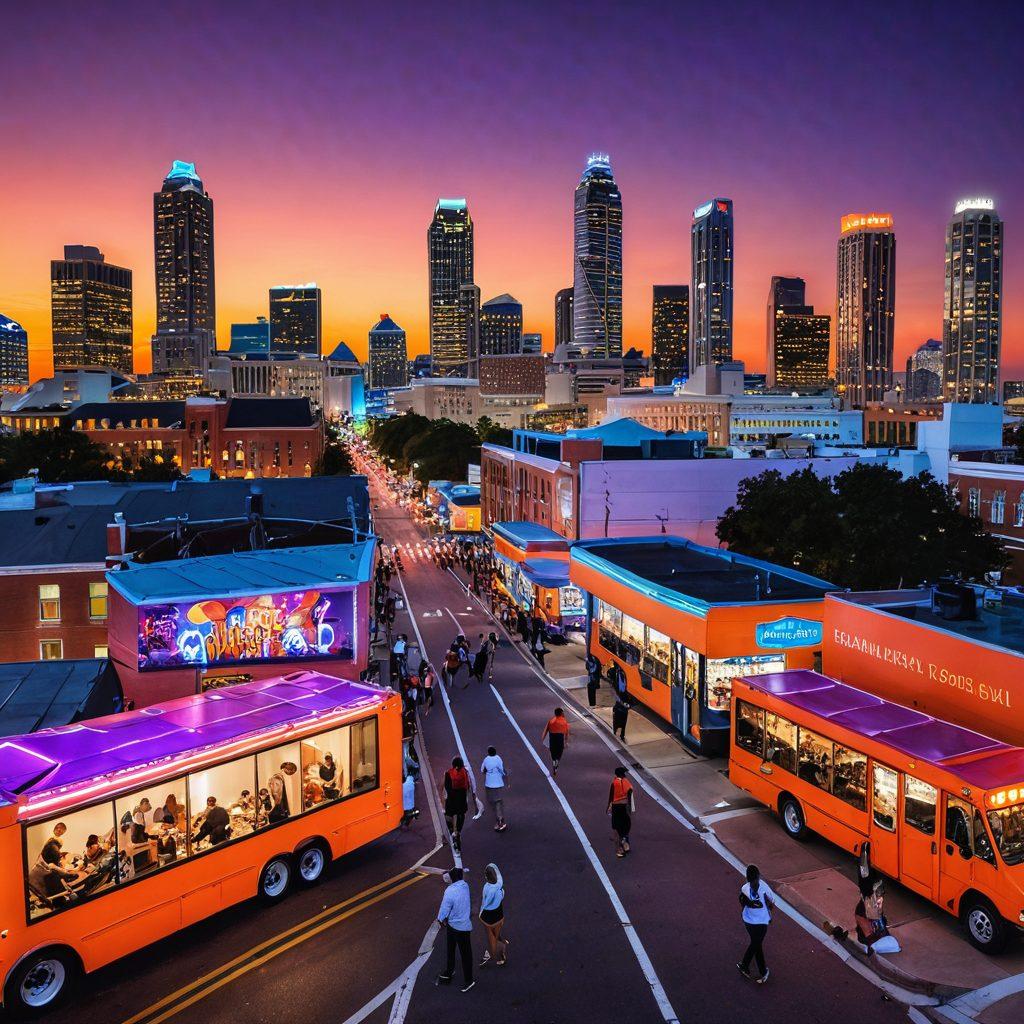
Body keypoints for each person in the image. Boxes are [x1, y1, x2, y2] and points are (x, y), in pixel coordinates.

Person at [436, 867, 475, 992]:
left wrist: (440, 919)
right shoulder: (465, 886)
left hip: (452, 925)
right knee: (466, 954)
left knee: (451, 950)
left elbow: (444, 908)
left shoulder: (449, 891)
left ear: (452, 879)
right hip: (464, 926)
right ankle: (468, 979)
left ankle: (451, 971)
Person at [737, 864, 776, 983]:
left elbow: (742, 901)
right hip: (759, 921)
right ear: (758, 876)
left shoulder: (746, 888)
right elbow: (773, 901)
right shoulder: (762, 888)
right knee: (756, 944)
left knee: (756, 944)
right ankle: (758, 970)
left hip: (751, 921)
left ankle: (749, 967)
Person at [479, 863, 509, 967]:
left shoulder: (487, 888)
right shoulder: (500, 885)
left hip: (489, 916)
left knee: (491, 936)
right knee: (496, 932)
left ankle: (500, 955)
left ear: (486, 877)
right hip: (499, 913)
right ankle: (501, 942)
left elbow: (485, 903)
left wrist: (481, 913)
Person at [441, 756, 473, 851]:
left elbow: (446, 787)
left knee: (448, 816)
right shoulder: (465, 772)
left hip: (451, 798)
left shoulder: (448, 773)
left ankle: (452, 832)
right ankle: (457, 832)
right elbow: (468, 785)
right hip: (461, 798)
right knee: (461, 815)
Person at [607, 766, 635, 857]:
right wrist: (630, 808)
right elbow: (630, 794)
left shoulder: (614, 783)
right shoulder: (627, 782)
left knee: (616, 826)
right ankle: (625, 843)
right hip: (624, 807)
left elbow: (611, 796)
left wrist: (608, 807)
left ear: (616, 774)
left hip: (616, 807)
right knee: (626, 825)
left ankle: (619, 849)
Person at [480, 746, 508, 832]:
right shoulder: (498, 759)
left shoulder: (486, 760)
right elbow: (502, 770)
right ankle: (500, 820)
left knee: (493, 803)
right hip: (498, 784)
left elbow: (482, 770)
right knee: (498, 802)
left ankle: (500, 822)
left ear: (488, 753)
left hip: (489, 785)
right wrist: (507, 781)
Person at [541, 708, 570, 775]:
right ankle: (556, 762)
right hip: (560, 739)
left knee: (553, 752)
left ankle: (554, 761)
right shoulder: (564, 722)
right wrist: (566, 742)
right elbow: (567, 733)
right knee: (559, 753)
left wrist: (543, 738)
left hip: (552, 738)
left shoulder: (551, 721)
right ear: (561, 713)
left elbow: (546, 730)